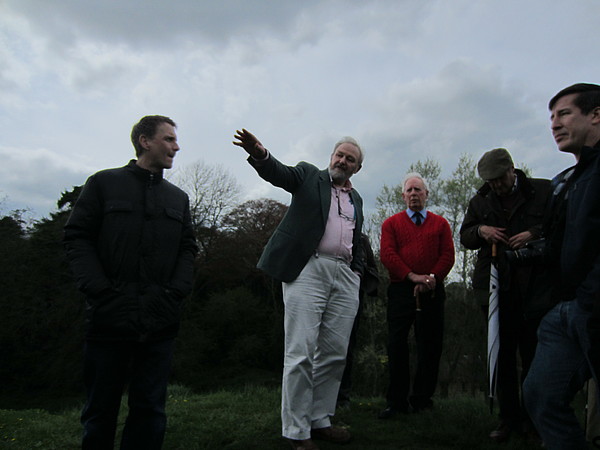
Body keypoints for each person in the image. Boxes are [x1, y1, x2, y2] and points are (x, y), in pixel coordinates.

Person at [64, 115, 198, 450]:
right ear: (144, 141)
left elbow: (188, 249)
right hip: (108, 319)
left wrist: (175, 294)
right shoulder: (103, 184)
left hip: (160, 322)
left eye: (175, 140)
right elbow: (77, 238)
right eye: (168, 139)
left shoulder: (178, 199)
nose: (176, 146)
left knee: (150, 410)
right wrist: (100, 292)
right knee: (99, 412)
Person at [233, 129, 364, 450]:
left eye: (351, 159)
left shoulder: (356, 198)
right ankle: (295, 430)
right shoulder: (308, 176)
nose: (343, 161)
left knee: (334, 353)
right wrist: (261, 154)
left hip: (345, 275)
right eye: (340, 155)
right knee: (301, 351)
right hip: (308, 268)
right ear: (331, 157)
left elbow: (355, 237)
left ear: (357, 168)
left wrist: (356, 271)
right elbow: (280, 174)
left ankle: (319, 419)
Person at [523, 83, 600, 450]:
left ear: (596, 115)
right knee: (540, 396)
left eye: (564, 113)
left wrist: (591, 295)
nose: (554, 124)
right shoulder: (569, 180)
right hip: (564, 312)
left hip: (592, 305)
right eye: (551, 117)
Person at [459, 148, 550, 442]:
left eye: (499, 179)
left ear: (513, 169)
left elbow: (559, 225)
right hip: (497, 289)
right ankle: (508, 419)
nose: (496, 185)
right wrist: (482, 230)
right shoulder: (480, 201)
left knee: (535, 356)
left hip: (535, 289)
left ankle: (535, 420)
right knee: (502, 356)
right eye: (490, 181)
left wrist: (534, 233)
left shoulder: (542, 190)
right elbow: (465, 235)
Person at [378, 173, 455, 418]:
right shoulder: (391, 224)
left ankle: (422, 399)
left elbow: (448, 256)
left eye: (418, 190)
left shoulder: (440, 224)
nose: (413, 194)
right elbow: (388, 255)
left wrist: (431, 278)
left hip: (432, 290)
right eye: (409, 190)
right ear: (403, 196)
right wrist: (412, 276)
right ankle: (396, 402)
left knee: (430, 345)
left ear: (426, 195)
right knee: (397, 344)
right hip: (402, 288)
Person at [336, 233, 379, 410]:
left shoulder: (360, 238)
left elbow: (371, 266)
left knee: (346, 345)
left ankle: (341, 397)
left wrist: (357, 274)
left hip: (351, 293)